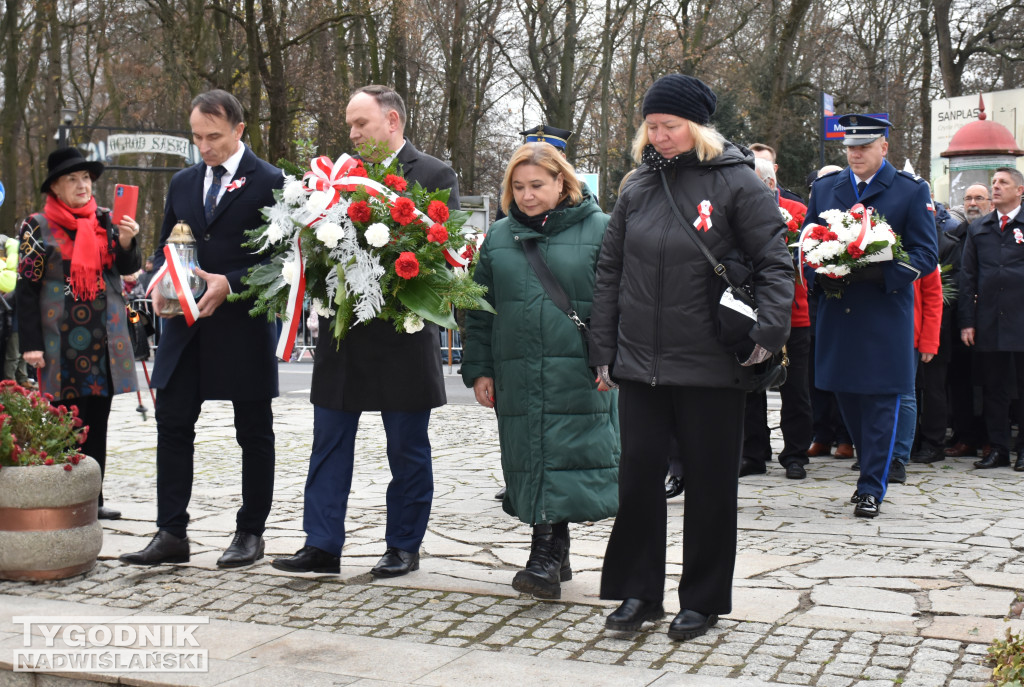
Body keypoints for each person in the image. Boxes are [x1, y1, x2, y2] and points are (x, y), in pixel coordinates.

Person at [589, 74, 793, 641]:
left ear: (696, 127)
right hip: (641, 364)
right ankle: (638, 592)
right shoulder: (636, 187)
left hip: (710, 362)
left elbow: (776, 263)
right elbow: (609, 272)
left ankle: (701, 600)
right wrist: (603, 348)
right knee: (636, 483)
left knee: (709, 486)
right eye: (651, 126)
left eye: (669, 126)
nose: (658, 136)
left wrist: (769, 333)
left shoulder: (739, 185)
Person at [272, 85, 460, 578]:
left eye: (361, 124)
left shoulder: (435, 174)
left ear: (392, 121)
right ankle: (322, 544)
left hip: (403, 334)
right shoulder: (337, 178)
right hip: (344, 336)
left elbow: (444, 255)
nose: (352, 135)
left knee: (407, 449)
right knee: (328, 443)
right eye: (350, 125)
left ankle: (403, 544)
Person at [120, 90, 282, 567]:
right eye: (196, 137)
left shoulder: (272, 182)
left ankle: (250, 533)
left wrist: (229, 284)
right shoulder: (183, 182)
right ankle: (171, 533)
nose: (204, 146)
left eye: (213, 136)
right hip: (183, 327)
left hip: (242, 326)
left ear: (239, 129)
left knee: (253, 432)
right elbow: (164, 246)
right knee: (172, 425)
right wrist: (152, 279)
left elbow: (282, 262)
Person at [461, 143, 619, 599]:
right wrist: (480, 369)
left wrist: (611, 361)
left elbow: (617, 302)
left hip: (578, 370)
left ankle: (544, 556)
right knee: (531, 456)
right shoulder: (499, 236)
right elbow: (480, 308)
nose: (527, 195)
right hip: (518, 371)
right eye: (518, 186)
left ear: (561, 182)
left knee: (564, 454)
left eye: (537, 185)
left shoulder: (602, 229)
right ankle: (556, 551)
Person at [804, 114, 937, 517]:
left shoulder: (910, 191)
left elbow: (926, 254)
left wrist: (880, 271)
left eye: (864, 146)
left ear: (884, 147)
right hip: (838, 313)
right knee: (847, 397)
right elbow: (807, 243)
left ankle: (870, 486)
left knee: (881, 401)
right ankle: (870, 463)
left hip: (882, 313)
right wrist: (819, 272)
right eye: (850, 147)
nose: (855, 153)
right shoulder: (827, 188)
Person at [16, 147, 142, 519]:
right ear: (55, 187)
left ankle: (94, 500)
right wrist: (31, 346)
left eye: (86, 178)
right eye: (72, 179)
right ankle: (67, 500)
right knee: (65, 422)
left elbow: (127, 267)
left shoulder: (106, 220)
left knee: (98, 421)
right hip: (59, 341)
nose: (82, 185)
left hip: (102, 337)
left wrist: (126, 241)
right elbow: (26, 288)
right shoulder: (36, 226)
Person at [741, 156, 812, 480]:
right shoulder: (738, 209)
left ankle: (795, 454)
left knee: (794, 389)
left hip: (794, 314)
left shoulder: (796, 212)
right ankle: (753, 453)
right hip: (751, 313)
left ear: (770, 183)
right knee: (751, 386)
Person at [960, 168, 1024, 471]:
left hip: (1022, 318)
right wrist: (967, 321)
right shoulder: (980, 227)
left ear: (1020, 190)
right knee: (994, 388)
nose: (995, 188)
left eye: (1003, 183)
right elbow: (968, 277)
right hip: (990, 320)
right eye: (994, 183)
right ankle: (998, 448)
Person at [943, 183, 991, 459]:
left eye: (979, 198)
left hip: (989, 318)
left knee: (988, 383)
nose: (973, 203)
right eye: (968, 198)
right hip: (958, 318)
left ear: (990, 204)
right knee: (959, 381)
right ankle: (965, 436)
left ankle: (988, 437)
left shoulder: (997, 233)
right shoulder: (955, 234)